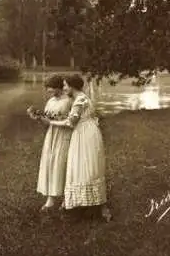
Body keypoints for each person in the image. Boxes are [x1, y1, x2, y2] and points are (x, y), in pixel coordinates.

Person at [44, 73, 112, 221]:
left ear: (72, 86)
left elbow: (70, 123)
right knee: (88, 167)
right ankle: (91, 205)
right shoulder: (82, 97)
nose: (64, 88)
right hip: (89, 132)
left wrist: (50, 122)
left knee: (81, 167)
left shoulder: (79, 100)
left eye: (65, 85)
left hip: (84, 135)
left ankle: (81, 207)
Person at [27, 74, 73, 211]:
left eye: (50, 88)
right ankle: (51, 199)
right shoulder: (50, 101)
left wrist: (52, 121)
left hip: (65, 135)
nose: (48, 91)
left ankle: (66, 198)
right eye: (47, 88)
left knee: (62, 164)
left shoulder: (70, 101)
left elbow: (72, 122)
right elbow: (47, 123)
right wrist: (37, 117)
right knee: (50, 164)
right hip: (52, 135)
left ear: (59, 87)